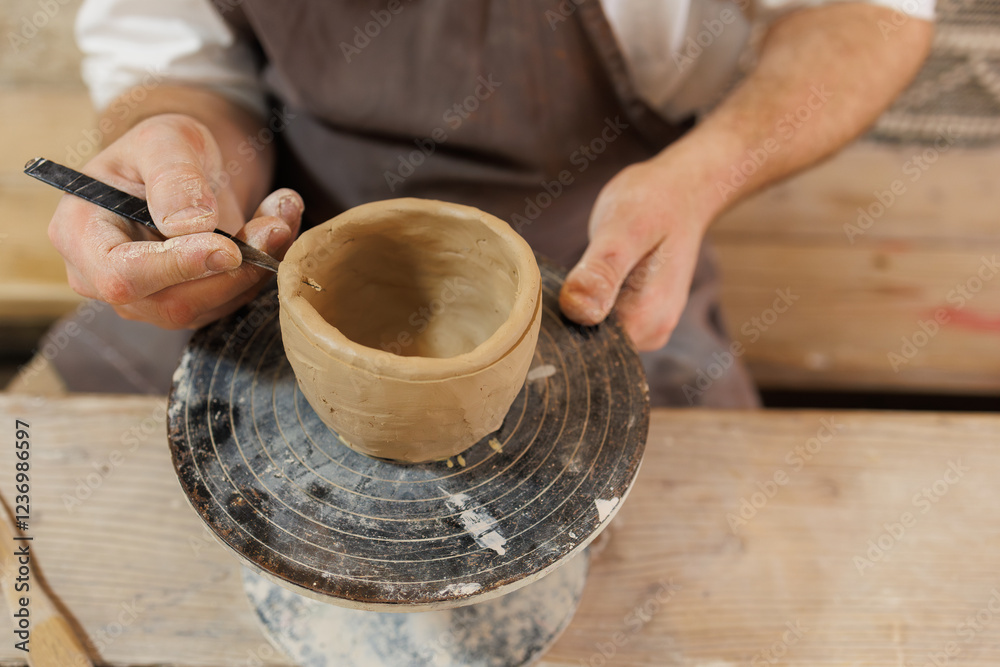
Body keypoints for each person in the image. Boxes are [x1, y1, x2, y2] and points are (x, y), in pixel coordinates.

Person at [39, 0, 933, 406]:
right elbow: (180, 67)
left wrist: (707, 173)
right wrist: (181, 149)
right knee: (69, 490)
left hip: (595, 238)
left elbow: (866, 14)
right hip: (276, 229)